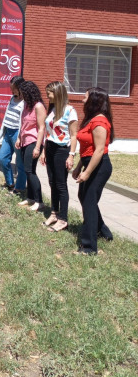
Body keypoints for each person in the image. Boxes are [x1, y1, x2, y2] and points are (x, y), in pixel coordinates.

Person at [72, 87, 114, 255]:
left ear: (94, 101)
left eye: (85, 97)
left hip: (99, 167)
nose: (82, 100)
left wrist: (87, 172)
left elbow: (98, 151)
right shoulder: (91, 119)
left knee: (89, 202)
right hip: (90, 162)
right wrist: (79, 166)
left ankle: (89, 247)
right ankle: (102, 231)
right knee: (84, 197)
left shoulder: (100, 122)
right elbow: (87, 148)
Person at [40, 81, 78, 232]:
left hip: (62, 150)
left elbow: (74, 136)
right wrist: (44, 151)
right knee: (52, 181)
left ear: (58, 93)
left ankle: (63, 219)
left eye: (49, 92)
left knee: (61, 184)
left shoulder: (70, 111)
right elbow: (48, 132)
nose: (47, 95)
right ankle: (54, 213)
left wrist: (71, 156)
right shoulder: (53, 109)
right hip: (50, 148)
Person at [15, 80, 46, 211]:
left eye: (22, 93)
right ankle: (30, 198)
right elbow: (22, 124)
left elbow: (41, 128)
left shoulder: (38, 106)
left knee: (30, 171)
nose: (21, 95)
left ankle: (39, 201)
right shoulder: (27, 105)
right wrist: (18, 138)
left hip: (33, 142)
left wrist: (38, 147)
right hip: (24, 141)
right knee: (27, 171)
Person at [0, 75, 26, 194]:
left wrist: (20, 136)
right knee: (2, 159)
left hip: (17, 134)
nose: (12, 91)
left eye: (14, 89)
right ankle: (10, 183)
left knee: (20, 163)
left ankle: (19, 188)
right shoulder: (11, 98)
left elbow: (25, 120)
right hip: (8, 132)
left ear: (20, 88)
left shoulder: (25, 102)